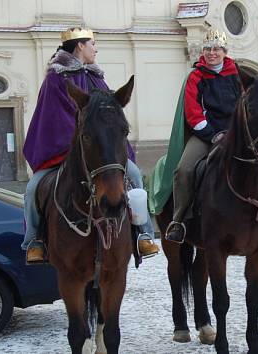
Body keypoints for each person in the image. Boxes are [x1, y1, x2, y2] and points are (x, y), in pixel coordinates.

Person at [21, 27, 159, 263]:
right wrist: (78, 145)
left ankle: (143, 233)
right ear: (79, 46)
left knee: (135, 176)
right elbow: (53, 117)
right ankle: (35, 240)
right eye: (92, 44)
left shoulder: (96, 77)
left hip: (100, 153)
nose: (96, 48)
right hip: (64, 150)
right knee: (33, 188)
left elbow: (110, 115)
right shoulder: (56, 78)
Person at [164, 28, 243, 243]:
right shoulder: (196, 76)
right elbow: (193, 112)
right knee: (184, 169)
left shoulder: (237, 74)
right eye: (208, 49)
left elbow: (244, 106)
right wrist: (211, 134)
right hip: (205, 134)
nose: (212, 53)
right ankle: (179, 220)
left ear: (224, 51)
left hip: (235, 134)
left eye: (216, 49)